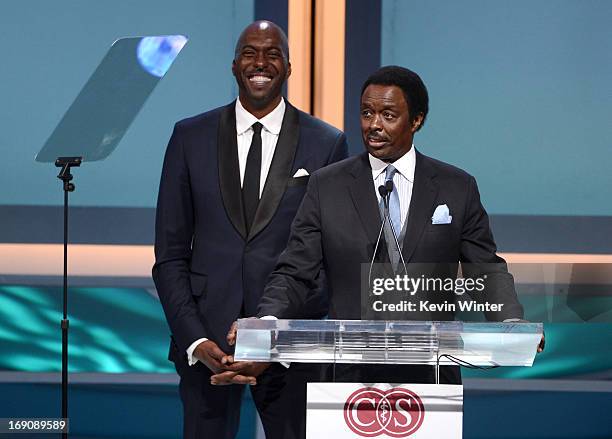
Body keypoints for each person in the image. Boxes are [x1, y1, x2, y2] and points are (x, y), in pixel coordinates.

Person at [221, 65, 543, 389]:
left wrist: (510, 323)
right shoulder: (327, 186)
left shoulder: (456, 187)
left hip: (431, 374)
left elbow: (485, 269)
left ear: (416, 120)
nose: (374, 125)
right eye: (366, 113)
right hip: (348, 374)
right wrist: (266, 322)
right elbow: (294, 271)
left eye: (388, 115)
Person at [152, 20, 348, 439]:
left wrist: (273, 339)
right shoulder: (189, 137)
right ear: (234, 64)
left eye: (272, 53)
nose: (260, 62)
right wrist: (195, 341)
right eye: (249, 52)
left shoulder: (326, 142)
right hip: (207, 345)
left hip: (291, 344)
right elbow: (169, 254)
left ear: (289, 67)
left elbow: (328, 259)